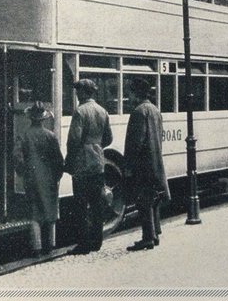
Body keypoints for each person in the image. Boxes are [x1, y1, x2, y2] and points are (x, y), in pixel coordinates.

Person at [64, 79, 113, 254]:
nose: (77, 94)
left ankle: (83, 244)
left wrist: (70, 160)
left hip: (82, 163)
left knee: (81, 204)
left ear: (85, 92)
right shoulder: (102, 111)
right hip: (98, 162)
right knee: (97, 203)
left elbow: (74, 139)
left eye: (78, 91)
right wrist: (96, 146)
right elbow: (109, 138)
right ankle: (97, 242)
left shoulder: (80, 111)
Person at [124, 78, 170, 251]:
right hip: (155, 159)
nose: (128, 96)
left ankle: (148, 238)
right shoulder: (155, 110)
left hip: (142, 163)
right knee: (152, 199)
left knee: (143, 201)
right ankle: (155, 234)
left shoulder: (138, 111)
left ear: (136, 93)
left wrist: (129, 165)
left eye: (129, 92)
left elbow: (136, 142)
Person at [13, 102, 64, 256]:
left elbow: (17, 156)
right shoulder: (50, 136)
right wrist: (57, 175)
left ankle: (37, 247)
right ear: (43, 119)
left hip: (32, 177)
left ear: (30, 119)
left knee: (35, 212)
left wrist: (23, 172)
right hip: (49, 177)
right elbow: (58, 159)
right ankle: (51, 245)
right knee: (51, 209)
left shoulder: (24, 135)